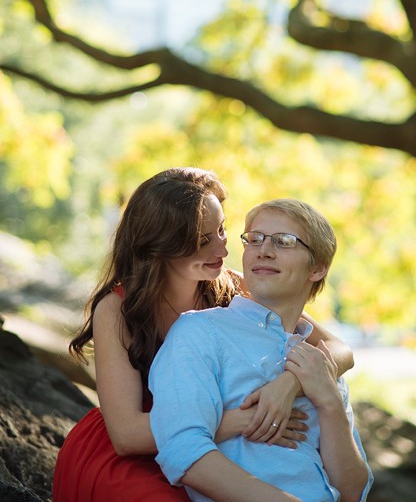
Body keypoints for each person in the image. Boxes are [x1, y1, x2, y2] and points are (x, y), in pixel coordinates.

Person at [53, 168, 354, 502]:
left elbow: (340, 350)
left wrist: (287, 385)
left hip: (207, 444)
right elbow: (125, 434)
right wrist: (244, 420)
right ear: (160, 246)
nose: (222, 250)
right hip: (136, 451)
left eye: (223, 230)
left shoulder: (232, 284)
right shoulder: (117, 309)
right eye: (203, 240)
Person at [149, 198, 372, 502]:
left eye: (284, 241)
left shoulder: (318, 361)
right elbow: (183, 452)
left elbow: (354, 491)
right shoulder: (200, 332)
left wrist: (329, 401)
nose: (263, 250)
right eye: (254, 239)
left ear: (318, 268)